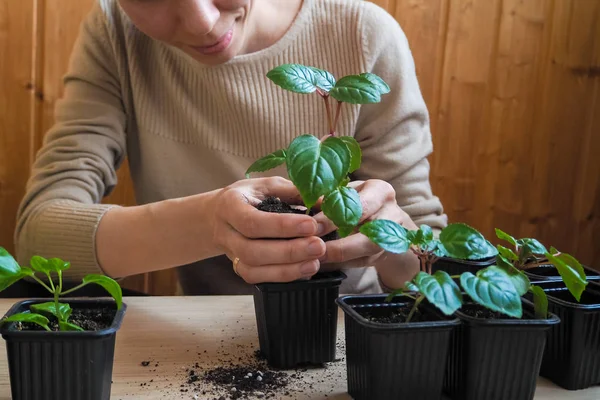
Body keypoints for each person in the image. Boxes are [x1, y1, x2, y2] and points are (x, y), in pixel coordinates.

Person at [14, 0, 447, 295]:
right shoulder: (115, 32)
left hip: (346, 343)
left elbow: (430, 261)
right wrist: (212, 224)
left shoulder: (361, 33)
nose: (202, 20)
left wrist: (393, 243)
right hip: (195, 345)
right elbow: (40, 232)